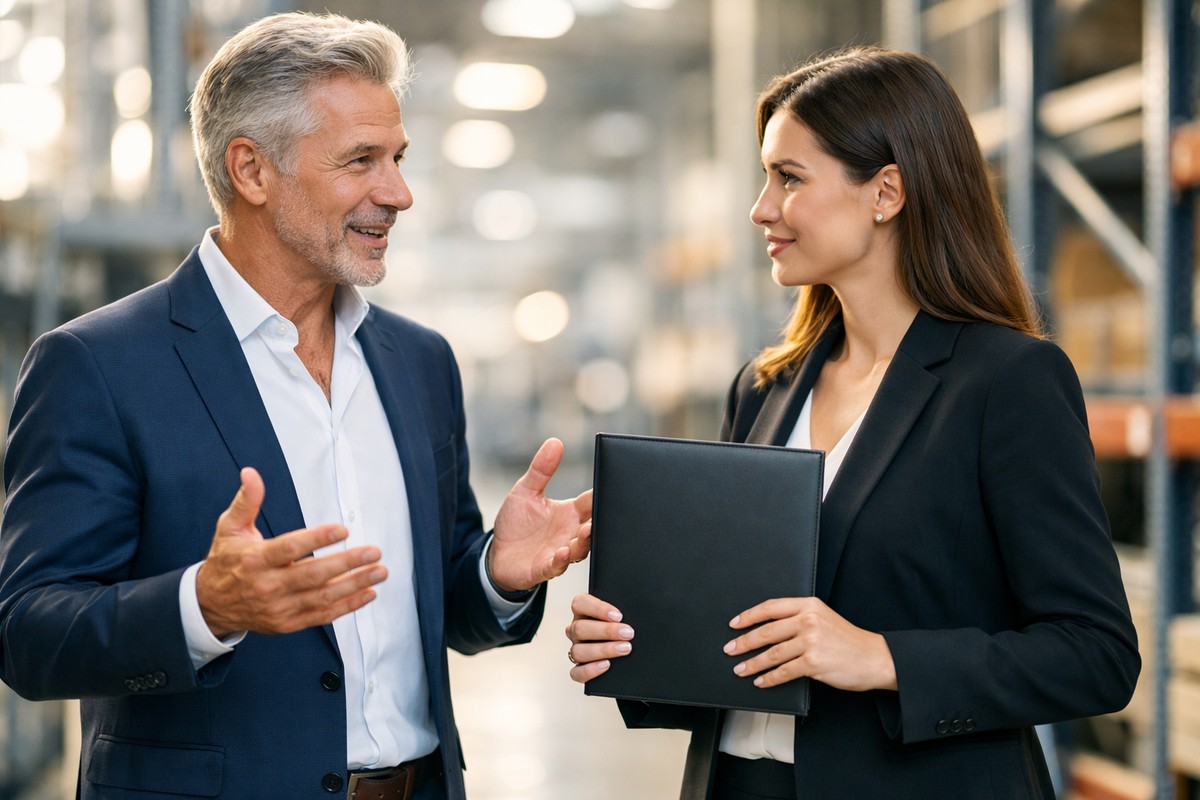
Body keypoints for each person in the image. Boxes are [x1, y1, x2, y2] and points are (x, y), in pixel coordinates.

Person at [0, 12, 592, 800]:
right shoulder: (99, 366)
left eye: (398, 158)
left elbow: (436, 612)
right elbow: (30, 633)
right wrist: (204, 605)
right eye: (361, 161)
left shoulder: (418, 363)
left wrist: (494, 574)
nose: (399, 193)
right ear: (251, 170)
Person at [565, 46, 1139, 799]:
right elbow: (744, 640)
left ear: (887, 192)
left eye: (789, 177)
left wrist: (880, 658)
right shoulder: (765, 386)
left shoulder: (1006, 382)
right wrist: (636, 647)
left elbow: (1095, 654)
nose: (760, 208)